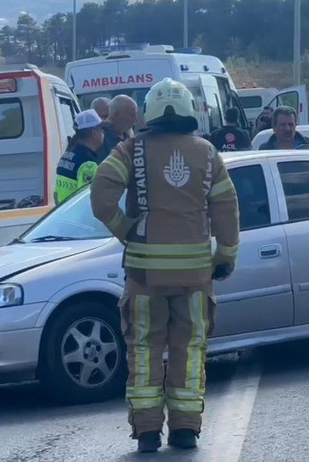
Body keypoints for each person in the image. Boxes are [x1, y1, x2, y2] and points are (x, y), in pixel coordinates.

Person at [90, 78, 240, 453]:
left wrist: (125, 229)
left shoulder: (130, 151)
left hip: (144, 277)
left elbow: (101, 193)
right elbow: (226, 208)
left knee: (144, 349)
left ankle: (146, 432)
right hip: (194, 278)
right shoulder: (207, 153)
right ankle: (186, 429)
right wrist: (225, 255)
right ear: (190, 110)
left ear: (150, 112)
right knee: (189, 350)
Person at [54, 109, 107, 204]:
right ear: (94, 133)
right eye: (102, 129)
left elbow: (56, 194)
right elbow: (86, 198)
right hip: (76, 214)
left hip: (63, 210)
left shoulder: (68, 155)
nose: (104, 132)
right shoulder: (88, 162)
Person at [98, 94, 139, 162]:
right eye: (132, 115)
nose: (135, 120)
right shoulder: (101, 138)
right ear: (116, 114)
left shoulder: (127, 136)